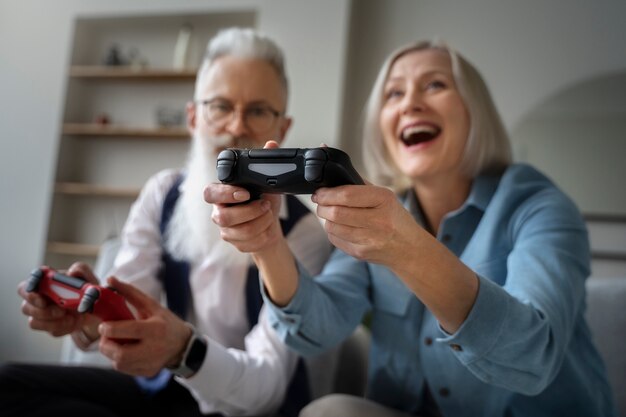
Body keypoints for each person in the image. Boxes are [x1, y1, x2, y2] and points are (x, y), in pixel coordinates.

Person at [204, 39, 618, 417]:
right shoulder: (382, 215)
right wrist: (267, 244)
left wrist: (407, 248)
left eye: (434, 85)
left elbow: (533, 356)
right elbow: (316, 329)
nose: (410, 104)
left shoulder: (539, 207)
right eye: (394, 93)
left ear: (475, 110)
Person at [0, 27, 332, 417]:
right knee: (11, 385)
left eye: (258, 111)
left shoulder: (305, 232)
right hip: (164, 390)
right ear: (193, 118)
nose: (237, 126)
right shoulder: (162, 193)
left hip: (246, 407)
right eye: (220, 106)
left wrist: (185, 351)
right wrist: (91, 319)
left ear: (283, 129)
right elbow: (129, 300)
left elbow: (268, 387)